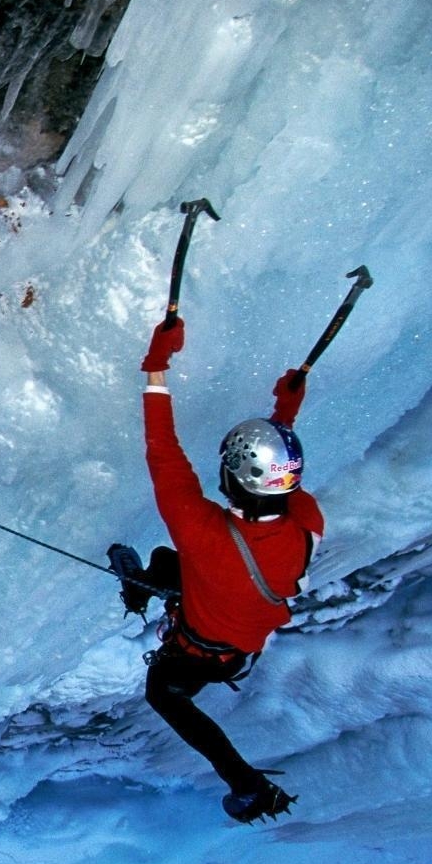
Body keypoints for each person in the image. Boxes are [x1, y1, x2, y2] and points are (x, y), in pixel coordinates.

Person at [117, 317, 324, 823]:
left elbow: (164, 450)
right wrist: (283, 421)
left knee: (161, 691)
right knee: (171, 563)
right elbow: (277, 486)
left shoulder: (201, 530)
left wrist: (156, 366)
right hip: (232, 650)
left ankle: (247, 783)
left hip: (197, 646)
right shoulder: (305, 526)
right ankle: (140, 588)